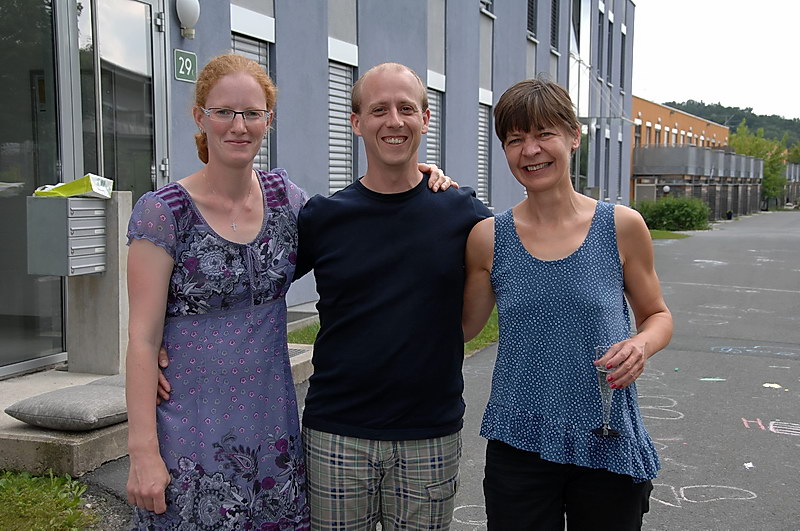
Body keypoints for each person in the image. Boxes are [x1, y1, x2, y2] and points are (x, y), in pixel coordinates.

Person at [126, 54, 453, 529]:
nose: (238, 126)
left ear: (269, 121)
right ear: (200, 116)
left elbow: (360, 223)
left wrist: (419, 178)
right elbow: (141, 338)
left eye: (252, 113)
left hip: (269, 429)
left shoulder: (287, 202)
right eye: (223, 112)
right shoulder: (163, 213)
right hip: (188, 425)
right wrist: (142, 452)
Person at [462, 79, 673, 530]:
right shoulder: (488, 238)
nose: (530, 150)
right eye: (515, 139)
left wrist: (641, 345)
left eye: (544, 134)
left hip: (605, 436)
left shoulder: (621, 226)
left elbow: (657, 315)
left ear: (574, 136)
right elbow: (462, 329)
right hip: (519, 440)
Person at [294, 63, 492, 529]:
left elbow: (527, 263)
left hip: (430, 434)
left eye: (406, 108)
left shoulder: (461, 212)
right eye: (379, 109)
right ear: (356, 122)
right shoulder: (323, 217)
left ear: (425, 119)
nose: (394, 121)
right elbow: (254, 289)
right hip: (337, 435)